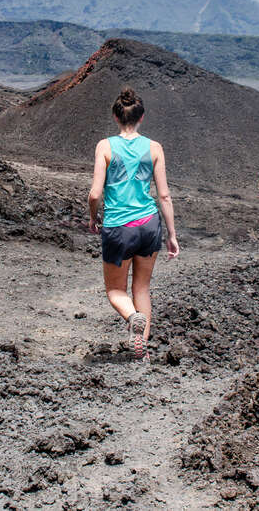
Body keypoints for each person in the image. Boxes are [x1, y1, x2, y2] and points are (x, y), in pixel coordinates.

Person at [88, 87, 179, 361]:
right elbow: (163, 195)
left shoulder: (105, 146)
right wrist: (172, 235)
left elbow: (94, 193)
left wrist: (94, 218)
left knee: (116, 290)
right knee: (142, 288)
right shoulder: (154, 148)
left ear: (116, 117)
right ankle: (142, 351)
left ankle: (133, 318)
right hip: (150, 225)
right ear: (142, 117)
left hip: (118, 228)